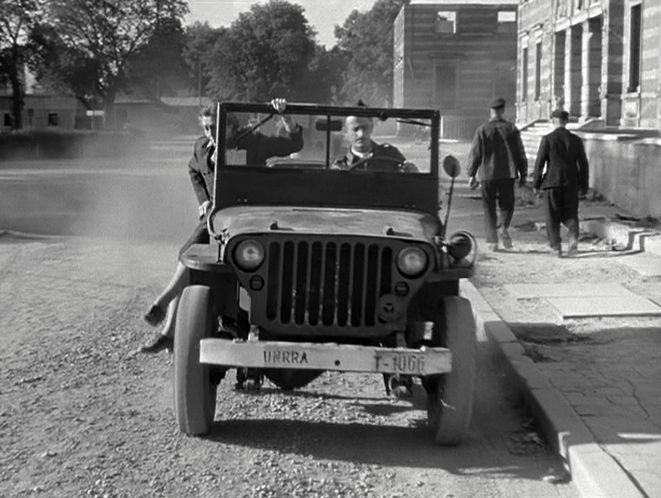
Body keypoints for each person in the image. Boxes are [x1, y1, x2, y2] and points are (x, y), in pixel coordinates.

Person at [140, 98, 303, 354]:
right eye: (206, 127)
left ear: (230, 125)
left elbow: (293, 143)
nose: (210, 133)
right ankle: (168, 330)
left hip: (248, 216)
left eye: (215, 126)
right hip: (216, 216)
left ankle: (165, 309)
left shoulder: (251, 142)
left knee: (192, 250)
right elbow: (193, 170)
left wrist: (285, 115)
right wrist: (203, 201)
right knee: (188, 255)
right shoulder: (202, 147)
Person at [466, 97, 528, 251]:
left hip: (487, 175)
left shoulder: (482, 130)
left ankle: (492, 242)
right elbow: (521, 153)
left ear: (491, 111)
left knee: (489, 208)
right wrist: (523, 174)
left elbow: (475, 154)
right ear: (503, 111)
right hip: (508, 173)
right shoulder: (512, 129)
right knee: (507, 205)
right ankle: (504, 227)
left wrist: (471, 174)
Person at [533, 109, 589, 257]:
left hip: (552, 182)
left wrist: (536, 184)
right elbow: (583, 164)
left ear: (554, 121)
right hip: (571, 183)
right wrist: (584, 185)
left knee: (552, 216)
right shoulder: (576, 140)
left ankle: (556, 246)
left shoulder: (547, 139)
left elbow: (539, 163)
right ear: (566, 121)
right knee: (571, 213)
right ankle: (572, 239)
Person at [332, 114, 418, 173]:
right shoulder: (341, 165)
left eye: (365, 128)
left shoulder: (391, 154)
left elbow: (411, 184)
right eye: (355, 129)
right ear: (346, 131)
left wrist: (413, 172)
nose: (361, 134)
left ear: (371, 127)